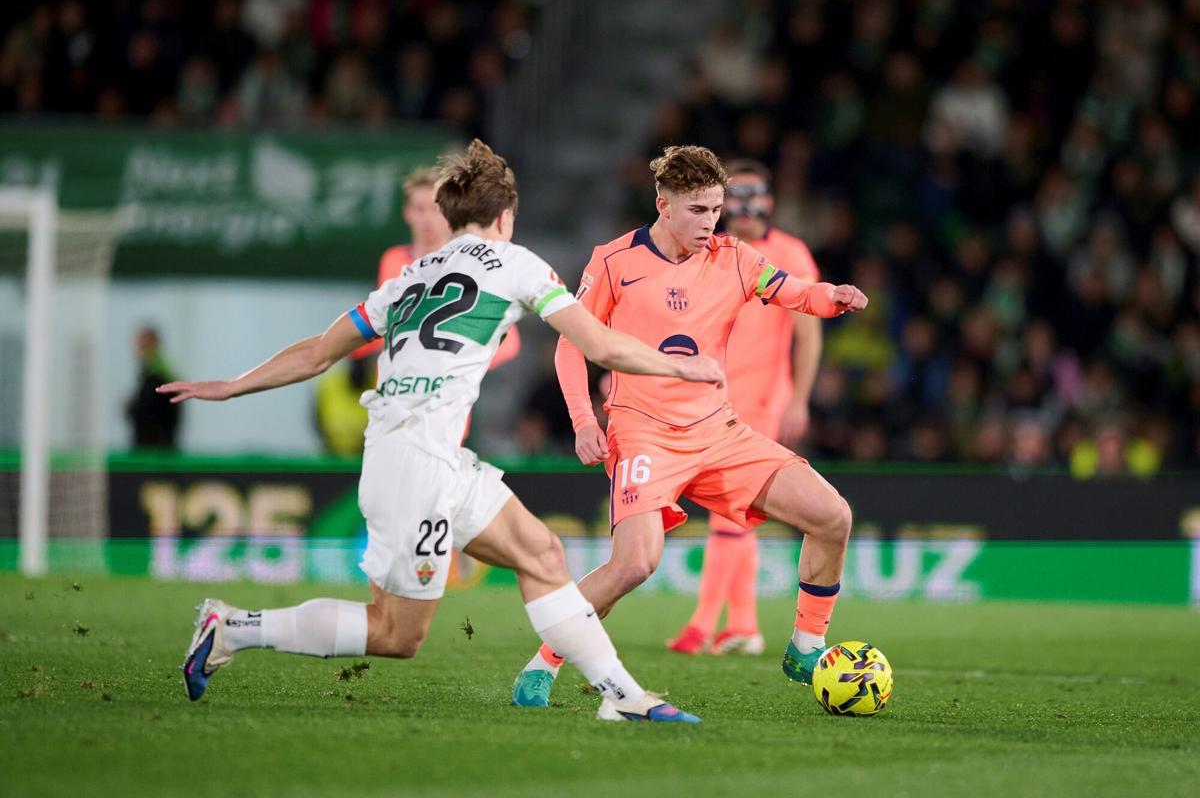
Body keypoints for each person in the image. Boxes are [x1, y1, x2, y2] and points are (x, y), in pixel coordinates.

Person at [163, 140, 726, 723]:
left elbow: (315, 354)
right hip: (417, 464)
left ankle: (624, 697)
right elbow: (601, 344)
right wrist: (684, 365)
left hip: (425, 455)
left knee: (541, 552)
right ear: (505, 217)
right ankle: (232, 628)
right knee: (394, 632)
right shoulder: (516, 263)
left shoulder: (407, 278)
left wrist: (233, 384)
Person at [511, 145, 867, 708]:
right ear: (664, 204)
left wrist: (833, 297)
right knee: (634, 564)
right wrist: (583, 420)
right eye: (698, 210)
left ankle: (806, 644)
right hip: (643, 432)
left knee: (832, 516)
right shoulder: (613, 261)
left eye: (716, 210)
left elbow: (796, 293)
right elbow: (570, 348)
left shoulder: (736, 258)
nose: (711, 222)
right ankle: (543, 663)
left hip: (718, 431)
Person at [666, 159, 823, 656]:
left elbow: (808, 332)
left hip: (760, 399)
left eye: (754, 195)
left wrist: (798, 398)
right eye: (735, 195)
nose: (744, 207)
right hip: (710, 396)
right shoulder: (710, 252)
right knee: (734, 515)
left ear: (771, 201)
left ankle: (702, 624)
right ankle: (744, 626)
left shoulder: (790, 253)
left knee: (726, 517)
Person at [369, 167, 520, 369]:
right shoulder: (393, 260)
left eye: (435, 209)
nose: (427, 219)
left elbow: (509, 343)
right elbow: (387, 322)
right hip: (395, 385)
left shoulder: (471, 264)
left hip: (444, 391)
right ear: (407, 212)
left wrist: (457, 364)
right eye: (419, 209)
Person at [126, 326, 182, 449]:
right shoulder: (158, 375)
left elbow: (148, 413)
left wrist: (132, 409)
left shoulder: (158, 379)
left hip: (155, 453)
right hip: (157, 449)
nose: (138, 350)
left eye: (143, 345)